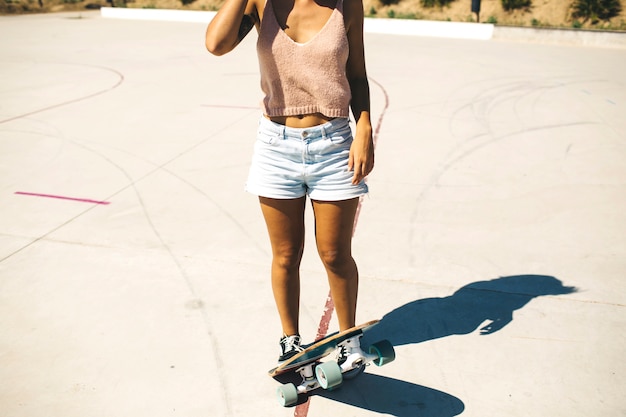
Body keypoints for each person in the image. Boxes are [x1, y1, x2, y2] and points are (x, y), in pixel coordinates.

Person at [205, 0, 374, 363]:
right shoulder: (258, 4)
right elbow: (216, 44)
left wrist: (364, 128)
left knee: (335, 254)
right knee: (285, 255)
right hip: (275, 147)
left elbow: (357, 74)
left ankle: (349, 341)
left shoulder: (347, 4)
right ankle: (291, 340)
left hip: (334, 146)